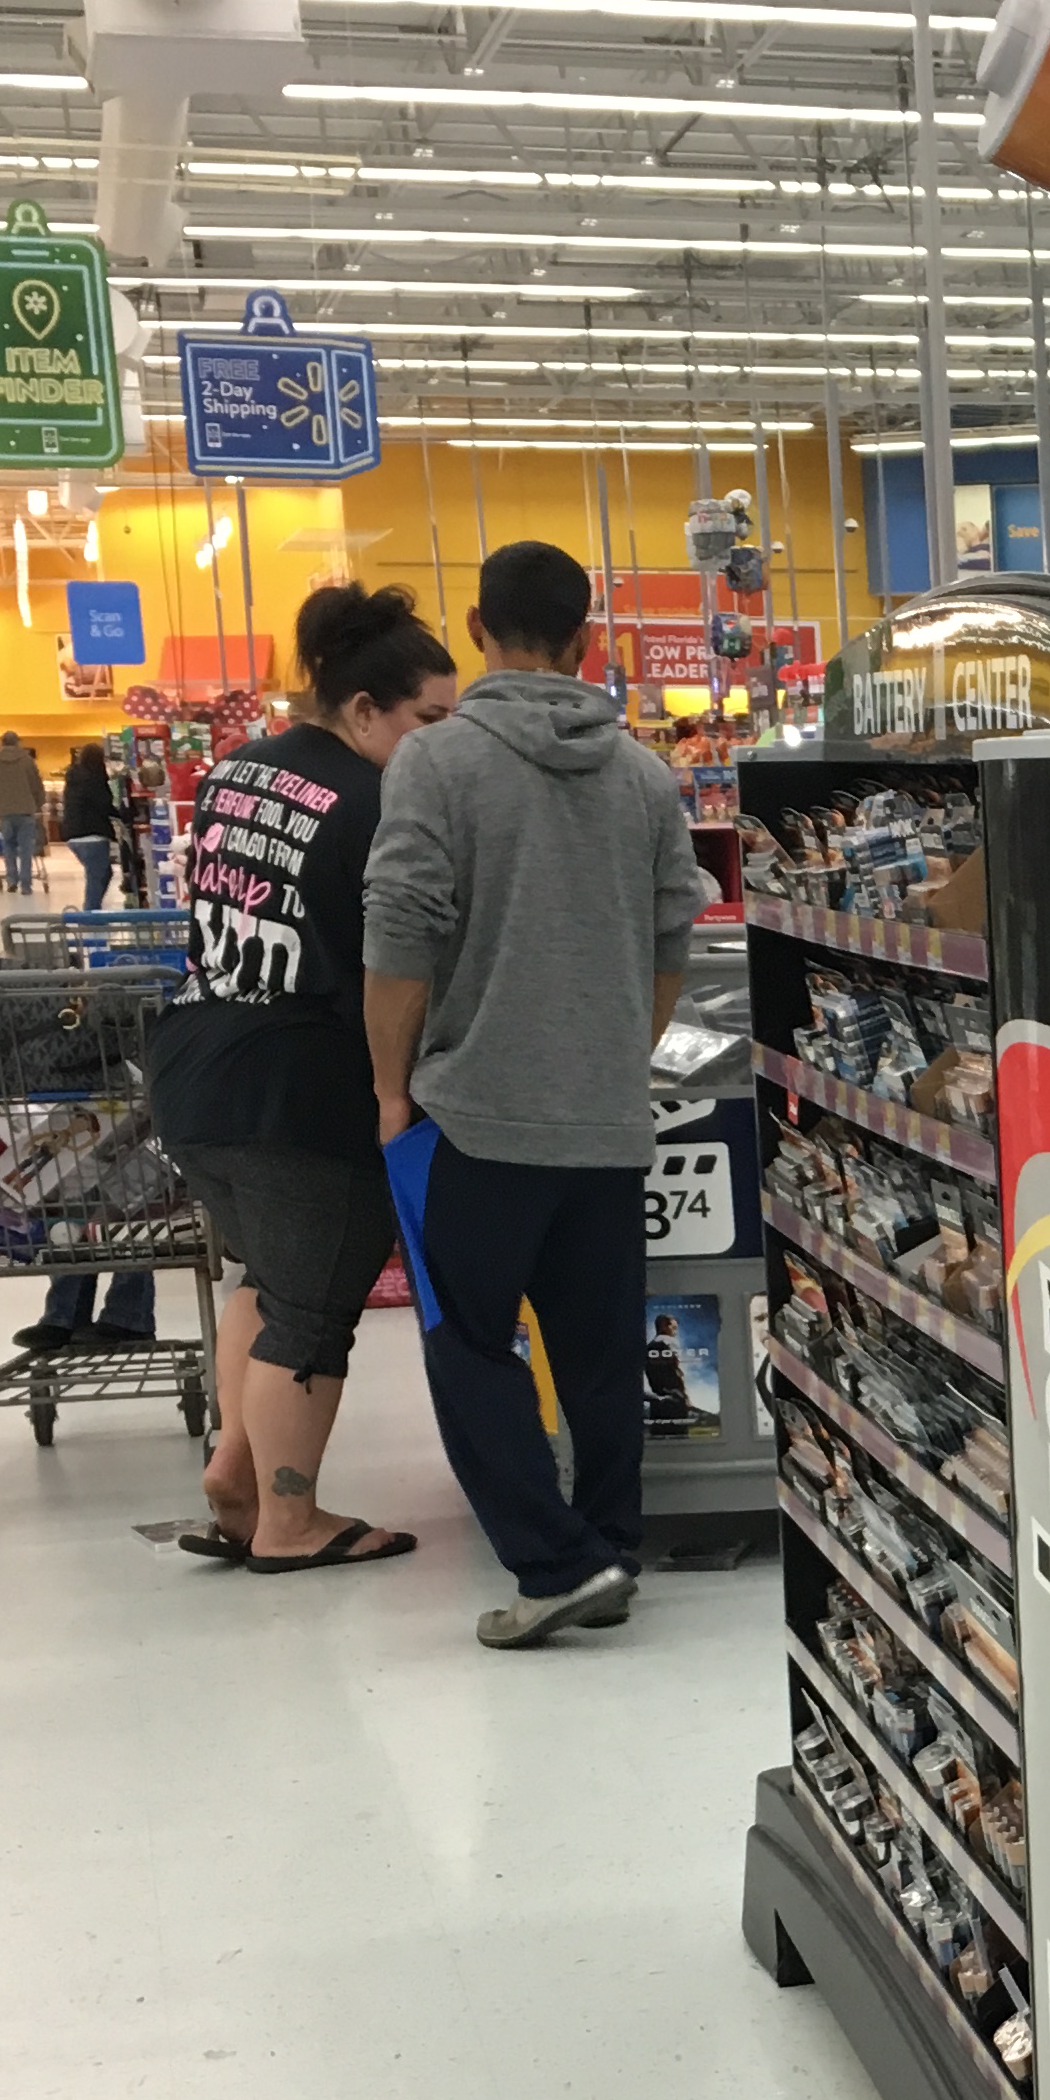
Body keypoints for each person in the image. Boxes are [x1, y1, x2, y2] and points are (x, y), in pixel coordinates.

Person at [364, 540, 712, 1650]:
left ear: (476, 629)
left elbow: (399, 939)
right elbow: (672, 941)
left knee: (468, 1342)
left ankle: (555, 1565)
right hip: (606, 1122)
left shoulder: (435, 762)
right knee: (601, 1355)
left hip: (474, 1115)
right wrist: (616, 1057)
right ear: (587, 638)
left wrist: (389, 1091)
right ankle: (608, 1549)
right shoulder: (645, 776)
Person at [143, 578, 461, 1572]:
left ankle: (235, 1474)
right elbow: (391, 968)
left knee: (267, 1281)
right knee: (315, 1310)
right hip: (299, 1088)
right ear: (365, 710)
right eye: (429, 721)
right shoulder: (378, 805)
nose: (441, 744)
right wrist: (397, 1087)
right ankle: (290, 1521)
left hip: (196, 1066)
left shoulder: (238, 770)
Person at [0, 729, 47, 896]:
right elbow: (36, 785)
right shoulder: (27, 760)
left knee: (8, 846)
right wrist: (38, 804)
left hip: (4, 812)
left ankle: (12, 880)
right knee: (26, 848)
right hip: (26, 811)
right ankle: (26, 884)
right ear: (17, 742)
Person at [62, 739, 119, 908]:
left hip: (72, 835)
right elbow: (103, 804)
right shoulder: (95, 778)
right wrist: (123, 814)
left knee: (104, 873)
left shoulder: (73, 778)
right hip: (93, 836)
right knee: (95, 877)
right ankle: (90, 914)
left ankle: (93, 908)